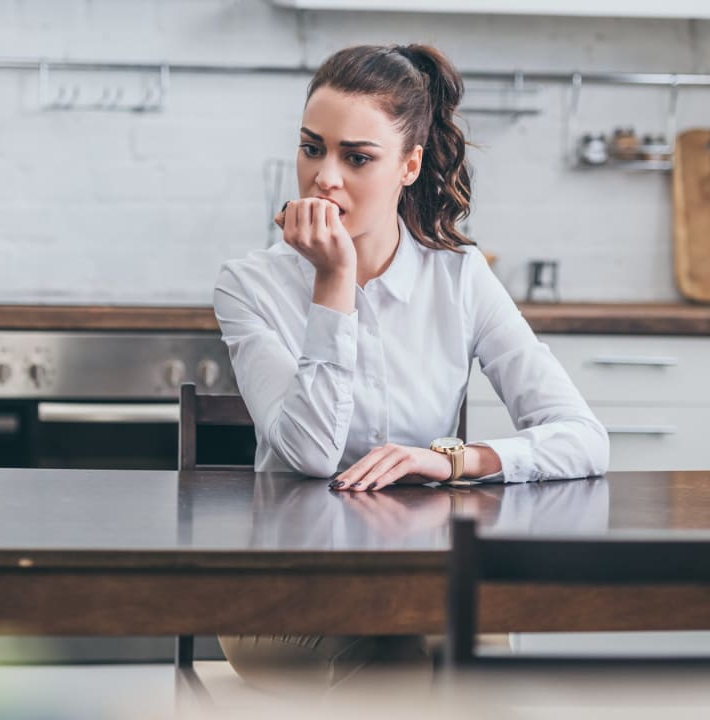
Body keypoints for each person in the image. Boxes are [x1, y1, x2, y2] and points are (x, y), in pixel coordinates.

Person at [211, 42, 609, 691]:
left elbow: (584, 439)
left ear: (408, 166)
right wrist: (333, 279)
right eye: (313, 148)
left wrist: (451, 460)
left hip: (419, 578)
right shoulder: (247, 286)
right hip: (283, 591)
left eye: (357, 157)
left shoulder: (460, 280)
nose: (324, 177)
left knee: (481, 656)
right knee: (393, 667)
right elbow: (312, 454)